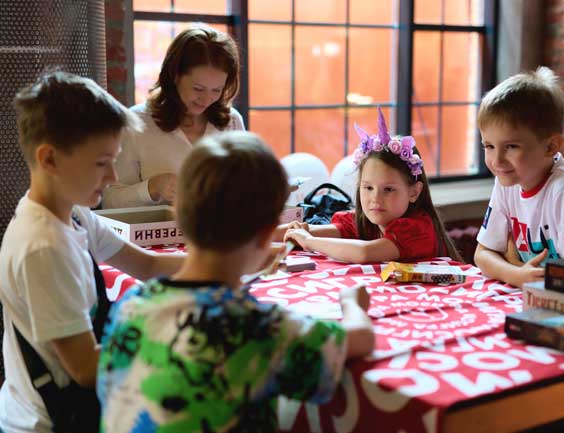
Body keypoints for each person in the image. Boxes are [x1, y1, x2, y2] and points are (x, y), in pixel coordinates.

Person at [97, 131, 374, 433]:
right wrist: (351, 304)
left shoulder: (130, 306)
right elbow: (359, 339)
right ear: (270, 232)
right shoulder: (255, 329)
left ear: (178, 216)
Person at [0, 71, 186, 433]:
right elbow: (86, 369)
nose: (114, 176)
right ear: (50, 159)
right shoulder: (43, 246)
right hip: (47, 421)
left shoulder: (75, 216)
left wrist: (229, 263)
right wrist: (170, 340)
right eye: (102, 163)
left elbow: (147, 263)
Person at [474, 66, 564, 288]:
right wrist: (516, 274)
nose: (497, 160)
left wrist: (519, 274)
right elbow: (483, 254)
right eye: (489, 146)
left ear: (550, 146)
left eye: (511, 146)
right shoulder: (507, 183)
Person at [280, 107, 462, 264]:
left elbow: (364, 252)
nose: (375, 198)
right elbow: (308, 230)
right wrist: (292, 232)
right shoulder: (367, 222)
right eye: (368, 188)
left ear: (414, 192)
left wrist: (308, 241)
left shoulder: (417, 229)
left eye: (388, 189)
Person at [102, 26, 244, 208]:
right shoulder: (136, 123)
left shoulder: (231, 121)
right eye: (198, 89)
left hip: (220, 234)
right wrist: (153, 187)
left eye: (217, 90)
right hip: (155, 235)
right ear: (175, 75)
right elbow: (109, 201)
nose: (207, 99)